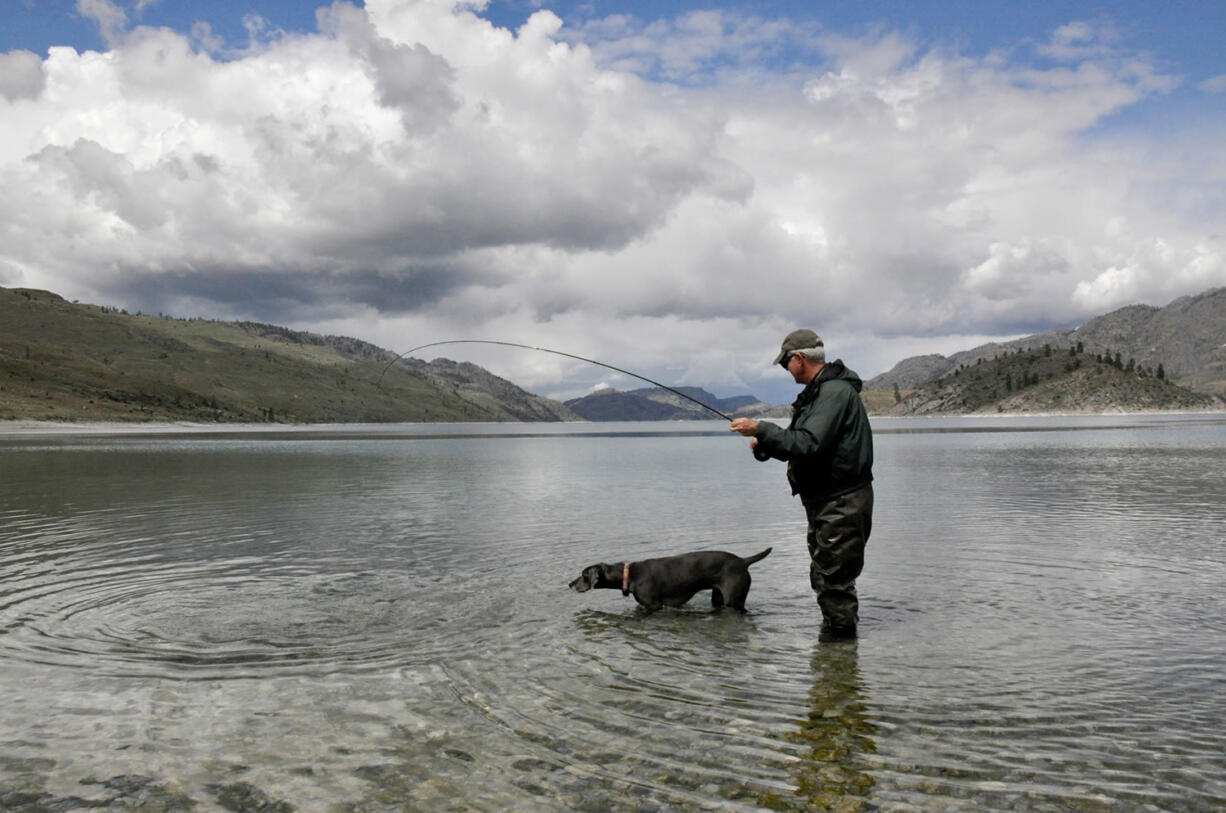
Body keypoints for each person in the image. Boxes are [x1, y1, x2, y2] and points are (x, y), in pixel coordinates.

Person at [730, 329, 874, 641]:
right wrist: (764, 446)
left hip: (841, 503)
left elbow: (809, 443)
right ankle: (836, 658)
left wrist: (762, 428)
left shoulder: (834, 393)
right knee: (827, 576)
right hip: (828, 502)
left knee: (834, 581)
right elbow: (801, 445)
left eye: (784, 363)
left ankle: (839, 656)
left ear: (799, 359)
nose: (785, 369)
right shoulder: (819, 394)